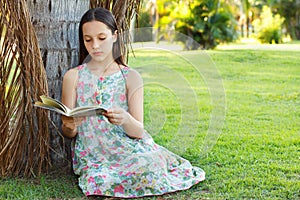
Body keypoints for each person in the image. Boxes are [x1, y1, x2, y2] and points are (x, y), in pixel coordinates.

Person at [61, 7, 205, 198]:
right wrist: (70, 125)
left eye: (102, 38)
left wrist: (125, 118)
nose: (95, 45)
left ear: (115, 36)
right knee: (100, 179)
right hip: (94, 154)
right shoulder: (74, 76)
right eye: (88, 40)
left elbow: (138, 130)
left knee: (150, 164)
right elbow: (68, 132)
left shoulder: (130, 77)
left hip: (128, 147)